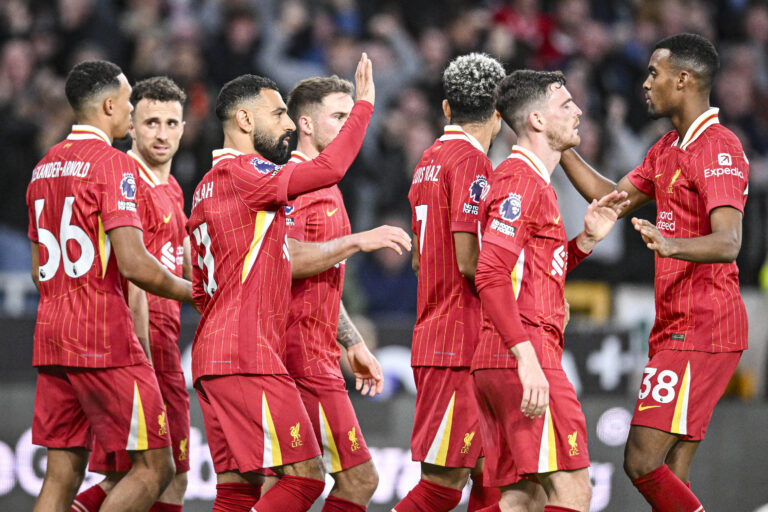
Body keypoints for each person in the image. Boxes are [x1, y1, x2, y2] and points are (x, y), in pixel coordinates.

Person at [187, 54, 408, 512]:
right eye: (277, 114)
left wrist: (348, 339)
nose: (285, 124)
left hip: (218, 351)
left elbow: (209, 279)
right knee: (307, 479)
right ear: (245, 119)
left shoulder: (208, 183)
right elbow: (326, 178)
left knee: (238, 491)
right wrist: (367, 105)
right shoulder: (252, 175)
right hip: (256, 353)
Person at [559, 33, 749, 512]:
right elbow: (609, 198)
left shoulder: (718, 148)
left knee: (641, 460)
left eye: (653, 73)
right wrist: (557, 145)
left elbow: (730, 241)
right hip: (677, 325)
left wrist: (671, 244)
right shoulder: (667, 147)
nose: (646, 84)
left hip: (704, 326)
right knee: (670, 474)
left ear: (683, 80)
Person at [26, 60, 195, 512]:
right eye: (126, 103)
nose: (128, 111)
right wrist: (199, 294)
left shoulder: (43, 167)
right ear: (107, 105)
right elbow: (136, 265)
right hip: (103, 336)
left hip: (51, 334)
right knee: (157, 468)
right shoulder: (114, 165)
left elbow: (37, 270)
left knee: (61, 475)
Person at [471, 70, 628, 512]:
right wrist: (527, 361)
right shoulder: (520, 182)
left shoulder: (532, 180)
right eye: (565, 105)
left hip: (501, 354)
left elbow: (533, 270)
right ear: (537, 120)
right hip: (523, 350)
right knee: (574, 491)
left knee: (523, 497)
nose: (578, 111)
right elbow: (491, 275)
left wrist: (584, 243)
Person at [259, 75, 408, 512]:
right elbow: (284, 261)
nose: (348, 128)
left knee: (288, 481)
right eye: (338, 116)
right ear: (305, 123)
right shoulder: (294, 183)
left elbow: (323, 277)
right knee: (358, 479)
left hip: (314, 349)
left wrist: (353, 341)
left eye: (351, 116)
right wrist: (357, 240)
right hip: (298, 352)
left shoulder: (324, 186)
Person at [70, 76, 192, 512]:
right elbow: (132, 274)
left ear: (184, 127)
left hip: (165, 344)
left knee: (169, 476)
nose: (162, 133)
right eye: (151, 122)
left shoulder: (173, 189)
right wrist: (139, 352)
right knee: (140, 473)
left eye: (171, 122)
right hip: (137, 344)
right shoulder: (125, 181)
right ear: (132, 126)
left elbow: (183, 258)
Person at [393, 53, 506, 512]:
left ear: (446, 109)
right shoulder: (473, 163)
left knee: (492, 475)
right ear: (498, 113)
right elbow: (467, 259)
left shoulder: (428, 160)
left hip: (444, 333)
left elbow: (422, 259)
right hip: (457, 341)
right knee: (442, 485)